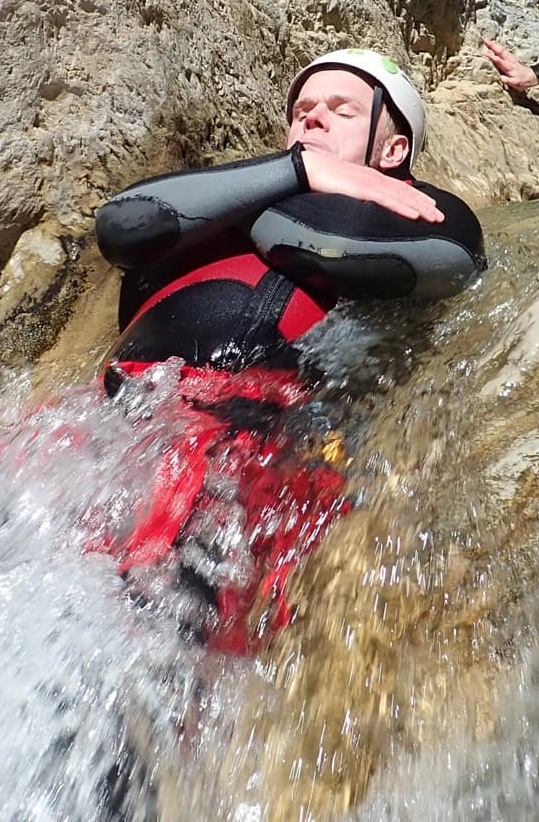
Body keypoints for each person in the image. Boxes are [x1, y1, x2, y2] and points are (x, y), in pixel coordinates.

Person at [93, 48, 485, 651]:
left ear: (394, 150)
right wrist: (295, 175)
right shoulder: (234, 196)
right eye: (302, 109)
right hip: (115, 416)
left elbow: (337, 245)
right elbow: (122, 224)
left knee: (142, 637)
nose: (313, 119)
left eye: (341, 110)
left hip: (247, 434)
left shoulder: (419, 211)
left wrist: (301, 193)